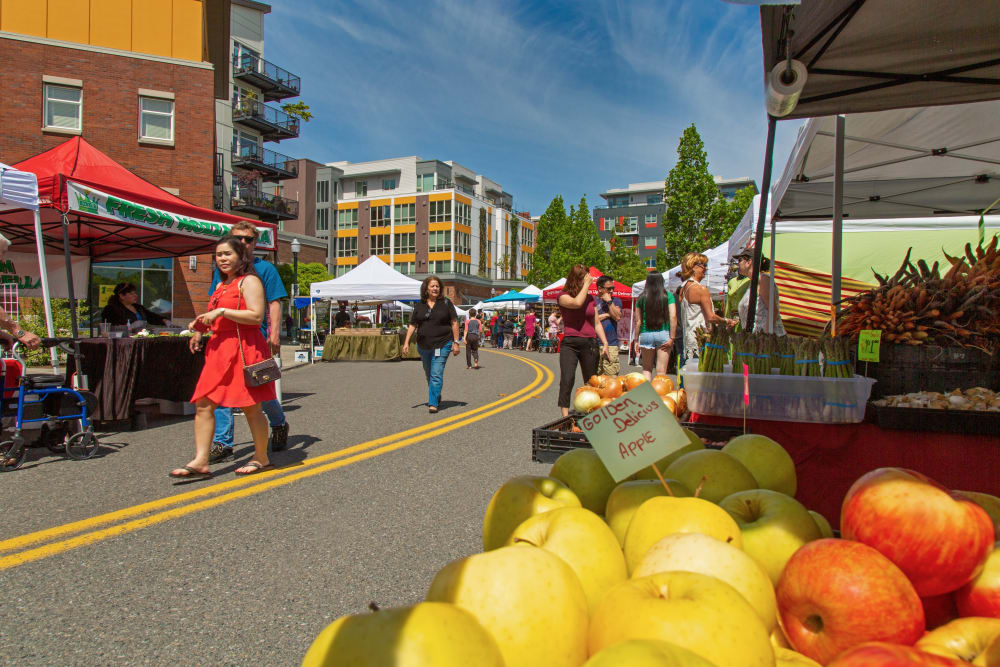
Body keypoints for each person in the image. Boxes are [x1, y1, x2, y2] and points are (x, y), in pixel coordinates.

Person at [171, 236, 275, 478]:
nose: (222, 259)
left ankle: (262, 457)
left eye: (228, 254)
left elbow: (257, 317)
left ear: (241, 256)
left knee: (251, 407)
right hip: (218, 350)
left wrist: (222, 311)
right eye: (219, 255)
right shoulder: (220, 286)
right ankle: (200, 460)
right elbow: (217, 318)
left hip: (245, 350)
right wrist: (199, 328)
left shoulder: (249, 281)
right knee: (204, 403)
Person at [202, 221, 289, 464]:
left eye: (248, 239)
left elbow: (274, 302)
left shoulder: (265, 269)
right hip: (225, 340)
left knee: (261, 390)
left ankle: (279, 423)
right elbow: (214, 302)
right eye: (237, 238)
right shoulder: (222, 273)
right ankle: (223, 442)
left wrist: (274, 334)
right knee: (221, 392)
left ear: (254, 243)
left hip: (254, 338)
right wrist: (202, 327)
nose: (243, 243)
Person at [557, 264, 610, 417]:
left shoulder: (590, 298)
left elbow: (596, 322)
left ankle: (592, 415)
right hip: (570, 343)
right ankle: (565, 416)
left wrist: (605, 342)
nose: (587, 281)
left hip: (589, 342)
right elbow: (576, 304)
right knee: (567, 378)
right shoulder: (563, 296)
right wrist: (587, 285)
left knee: (591, 380)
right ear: (576, 280)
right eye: (584, 278)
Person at [402, 276, 460, 413]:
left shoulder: (446, 303)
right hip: (423, 346)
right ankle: (436, 393)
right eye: (432, 286)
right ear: (426, 289)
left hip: (442, 344)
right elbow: (412, 325)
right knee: (429, 373)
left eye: (437, 286)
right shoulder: (420, 305)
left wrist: (456, 342)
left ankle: (433, 403)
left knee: (436, 373)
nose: (435, 288)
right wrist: (406, 343)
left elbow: (454, 322)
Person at [678, 252, 735, 365]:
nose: (706, 268)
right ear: (693, 266)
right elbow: (711, 317)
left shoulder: (683, 288)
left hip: (689, 337)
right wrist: (727, 321)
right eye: (703, 265)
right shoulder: (700, 289)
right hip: (700, 338)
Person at [632, 272, 678, 379]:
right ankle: (660, 394)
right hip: (664, 333)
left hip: (646, 333)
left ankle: (646, 394)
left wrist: (636, 340)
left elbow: (638, 321)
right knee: (661, 371)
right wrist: (672, 338)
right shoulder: (668, 296)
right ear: (661, 281)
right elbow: (673, 317)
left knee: (647, 369)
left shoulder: (641, 297)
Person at [734, 248, 787, 335]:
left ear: (749, 262)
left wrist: (766, 337)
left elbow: (772, 310)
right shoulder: (752, 283)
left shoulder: (763, 279)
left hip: (769, 339)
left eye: (740, 260)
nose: (738, 263)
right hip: (755, 339)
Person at [100, 282, 167, 327]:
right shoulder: (111, 309)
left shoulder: (138, 307)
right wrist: (131, 326)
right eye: (131, 294)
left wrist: (164, 320)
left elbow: (151, 316)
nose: (135, 295)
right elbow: (112, 327)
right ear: (122, 296)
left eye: (135, 293)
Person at [595, 275, 623, 376]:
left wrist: (609, 302)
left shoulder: (616, 301)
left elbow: (617, 317)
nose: (611, 291)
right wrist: (608, 314)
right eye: (608, 288)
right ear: (599, 288)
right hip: (594, 344)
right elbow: (591, 320)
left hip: (611, 344)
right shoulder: (592, 301)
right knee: (594, 378)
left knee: (612, 378)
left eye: (613, 288)